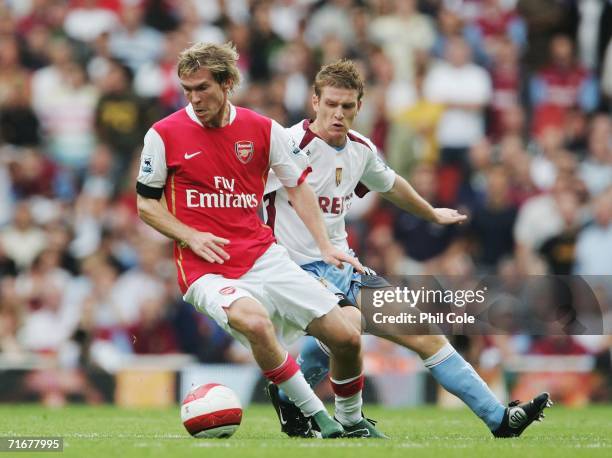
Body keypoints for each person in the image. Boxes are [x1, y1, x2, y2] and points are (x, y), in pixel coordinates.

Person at [263, 59, 551, 439]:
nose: (338, 113)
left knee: (426, 334)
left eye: (347, 106)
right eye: (330, 103)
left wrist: (430, 212)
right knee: (346, 330)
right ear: (314, 101)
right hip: (295, 270)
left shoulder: (360, 150)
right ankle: (349, 421)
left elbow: (392, 184)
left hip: (346, 268)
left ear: (359, 108)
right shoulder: (285, 144)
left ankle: (499, 419)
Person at [135, 43, 383, 438]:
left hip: (263, 256)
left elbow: (298, 186)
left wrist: (324, 245)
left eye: (203, 88)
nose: (194, 99)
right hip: (204, 269)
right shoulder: (163, 134)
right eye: (187, 89)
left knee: (347, 337)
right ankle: (320, 419)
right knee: (255, 322)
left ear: (228, 82)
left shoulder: (262, 129)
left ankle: (351, 421)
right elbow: (146, 205)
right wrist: (190, 235)